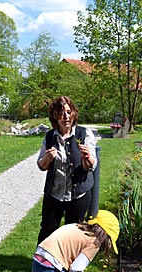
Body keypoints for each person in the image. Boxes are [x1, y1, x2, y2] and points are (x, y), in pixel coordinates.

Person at [37, 96, 97, 244]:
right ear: (55, 116)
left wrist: (87, 157)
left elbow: (91, 165)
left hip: (78, 194)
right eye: (61, 113)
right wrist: (47, 158)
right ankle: (41, 264)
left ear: (74, 114)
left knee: (74, 234)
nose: (66, 116)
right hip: (54, 194)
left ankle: (70, 265)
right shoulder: (50, 136)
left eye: (69, 112)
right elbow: (41, 165)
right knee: (47, 230)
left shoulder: (84, 134)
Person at [32, 210, 120, 272]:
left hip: (38, 261)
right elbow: (76, 268)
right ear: (107, 237)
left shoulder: (77, 227)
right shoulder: (94, 242)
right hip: (51, 268)